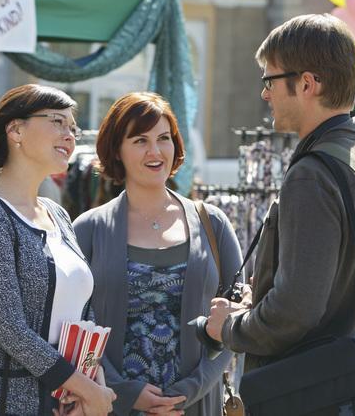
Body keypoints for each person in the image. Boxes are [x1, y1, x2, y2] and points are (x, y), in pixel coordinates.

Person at [205, 14, 355, 372]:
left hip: (310, 392)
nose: (264, 93)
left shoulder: (313, 175)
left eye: (269, 79)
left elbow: (295, 313)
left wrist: (229, 326)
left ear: (307, 84)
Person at [74, 92, 242, 416]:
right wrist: (123, 391)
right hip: (112, 405)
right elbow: (75, 322)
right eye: (140, 140)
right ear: (117, 151)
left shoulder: (213, 224)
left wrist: (191, 389)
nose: (155, 151)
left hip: (195, 404)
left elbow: (238, 321)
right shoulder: (88, 229)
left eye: (164, 138)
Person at [0, 84, 116, 415]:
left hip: (63, 402)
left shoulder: (57, 214)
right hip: (0, 406)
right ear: (15, 129)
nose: (69, 135)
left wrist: (90, 380)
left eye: (72, 127)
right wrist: (86, 389)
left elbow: (83, 312)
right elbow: (12, 331)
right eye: (57, 121)